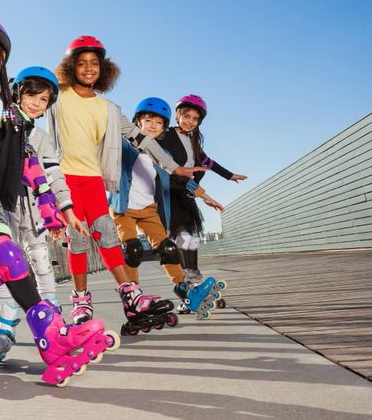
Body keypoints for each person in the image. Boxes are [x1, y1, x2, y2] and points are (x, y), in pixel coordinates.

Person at [0, 20, 117, 392]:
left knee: (10, 257)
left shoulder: (12, 113)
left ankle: (52, 339)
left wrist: (64, 207)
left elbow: (41, 164)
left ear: (3, 58)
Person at [48, 36, 203, 326]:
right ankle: (81, 299)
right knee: (78, 239)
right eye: (81, 63)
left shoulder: (108, 109)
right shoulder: (58, 95)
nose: (88, 68)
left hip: (94, 178)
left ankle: (130, 296)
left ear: (104, 69)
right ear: (70, 66)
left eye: (95, 63)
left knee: (107, 234)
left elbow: (141, 139)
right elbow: (30, 93)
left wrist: (173, 167)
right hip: (65, 176)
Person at [0, 66, 89, 365]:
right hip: (3, 203)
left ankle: (54, 326)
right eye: (32, 94)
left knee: (42, 264)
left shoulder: (43, 137)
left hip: (34, 209)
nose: (36, 102)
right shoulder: (0, 121)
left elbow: (53, 173)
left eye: (44, 99)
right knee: (6, 269)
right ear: (18, 92)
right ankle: (4, 331)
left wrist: (67, 209)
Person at [108, 97, 226, 332]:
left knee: (168, 249)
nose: (152, 125)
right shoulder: (123, 145)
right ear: (137, 123)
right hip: (123, 208)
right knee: (132, 250)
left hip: (149, 210)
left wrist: (205, 196)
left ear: (164, 128)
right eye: (147, 120)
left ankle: (186, 291)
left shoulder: (161, 154)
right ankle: (133, 302)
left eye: (159, 123)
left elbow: (180, 178)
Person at [159, 94, 245, 316]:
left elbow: (208, 162)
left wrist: (229, 176)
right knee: (182, 240)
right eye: (186, 116)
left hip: (186, 194)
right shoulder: (165, 134)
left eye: (195, 119)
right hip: (170, 192)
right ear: (177, 115)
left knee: (192, 240)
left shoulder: (194, 140)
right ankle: (188, 289)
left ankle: (192, 287)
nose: (189, 121)